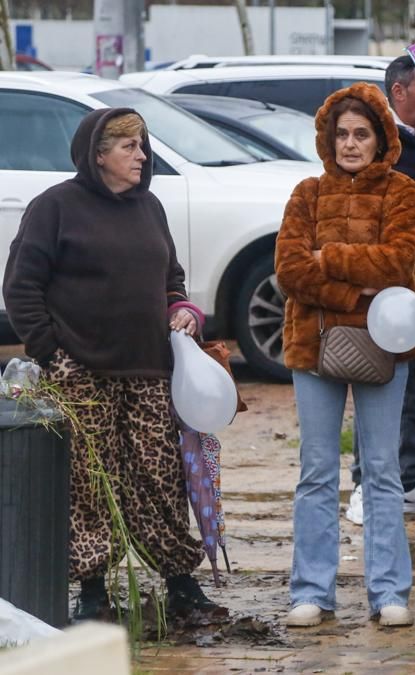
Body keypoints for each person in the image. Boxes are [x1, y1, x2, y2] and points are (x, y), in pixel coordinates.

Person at [4, 108, 221, 623]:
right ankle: (95, 590)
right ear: (97, 154)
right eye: (130, 147)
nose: (142, 156)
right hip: (80, 371)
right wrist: (51, 352)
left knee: (160, 476)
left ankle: (180, 582)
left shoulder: (151, 208)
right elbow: (21, 288)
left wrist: (183, 311)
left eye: (142, 146)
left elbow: (172, 278)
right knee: (88, 482)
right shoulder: (54, 208)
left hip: (148, 371)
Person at [275, 83, 415, 628]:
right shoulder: (307, 194)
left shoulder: (404, 192)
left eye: (362, 133)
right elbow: (291, 269)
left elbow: (398, 261)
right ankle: (311, 591)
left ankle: (388, 592)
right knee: (316, 471)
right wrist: (348, 293)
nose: (351, 143)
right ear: (327, 138)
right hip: (313, 346)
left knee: (382, 471)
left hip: (384, 347)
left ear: (382, 137)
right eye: (341, 134)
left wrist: (329, 257)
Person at [345, 55, 415, 527]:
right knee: (379, 383)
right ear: (399, 92)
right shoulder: (384, 146)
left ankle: (408, 476)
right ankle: (366, 481)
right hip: (386, 288)